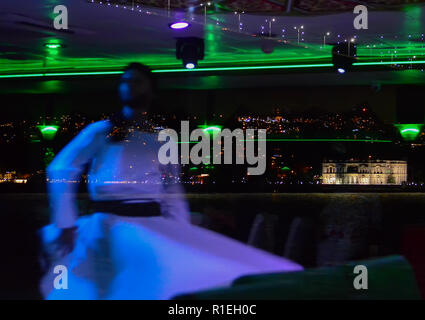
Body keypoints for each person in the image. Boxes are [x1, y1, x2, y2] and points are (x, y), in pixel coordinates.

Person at [39, 63, 302, 300]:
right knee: (106, 288)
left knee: (150, 286)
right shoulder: (100, 131)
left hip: (150, 223)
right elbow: (62, 167)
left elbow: (171, 189)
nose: (129, 86)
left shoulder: (161, 137)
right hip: (105, 224)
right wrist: (65, 222)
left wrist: (183, 233)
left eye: (137, 81)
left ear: (152, 93)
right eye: (125, 81)